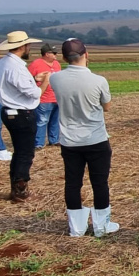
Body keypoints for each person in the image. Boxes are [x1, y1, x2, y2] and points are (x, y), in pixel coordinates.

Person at [49, 38, 118, 238]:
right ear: (86, 55)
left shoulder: (56, 79)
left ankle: (76, 228)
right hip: (95, 139)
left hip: (69, 141)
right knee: (99, 183)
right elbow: (107, 106)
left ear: (63, 57)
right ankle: (101, 226)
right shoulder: (99, 80)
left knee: (72, 183)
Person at [0, 31, 47, 203]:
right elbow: (34, 93)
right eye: (28, 45)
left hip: (10, 111)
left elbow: (15, 84)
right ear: (23, 46)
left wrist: (33, 78)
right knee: (25, 154)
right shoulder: (16, 67)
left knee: (19, 152)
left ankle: (16, 189)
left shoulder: (4, 63)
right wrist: (46, 81)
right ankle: (21, 191)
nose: (29, 48)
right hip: (21, 114)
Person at [27, 43, 62, 149]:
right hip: (43, 98)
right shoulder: (36, 64)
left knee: (55, 120)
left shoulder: (56, 64)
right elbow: (28, 79)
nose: (56, 55)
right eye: (54, 53)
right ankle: (39, 143)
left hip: (56, 97)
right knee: (42, 120)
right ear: (47, 54)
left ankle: (54, 140)